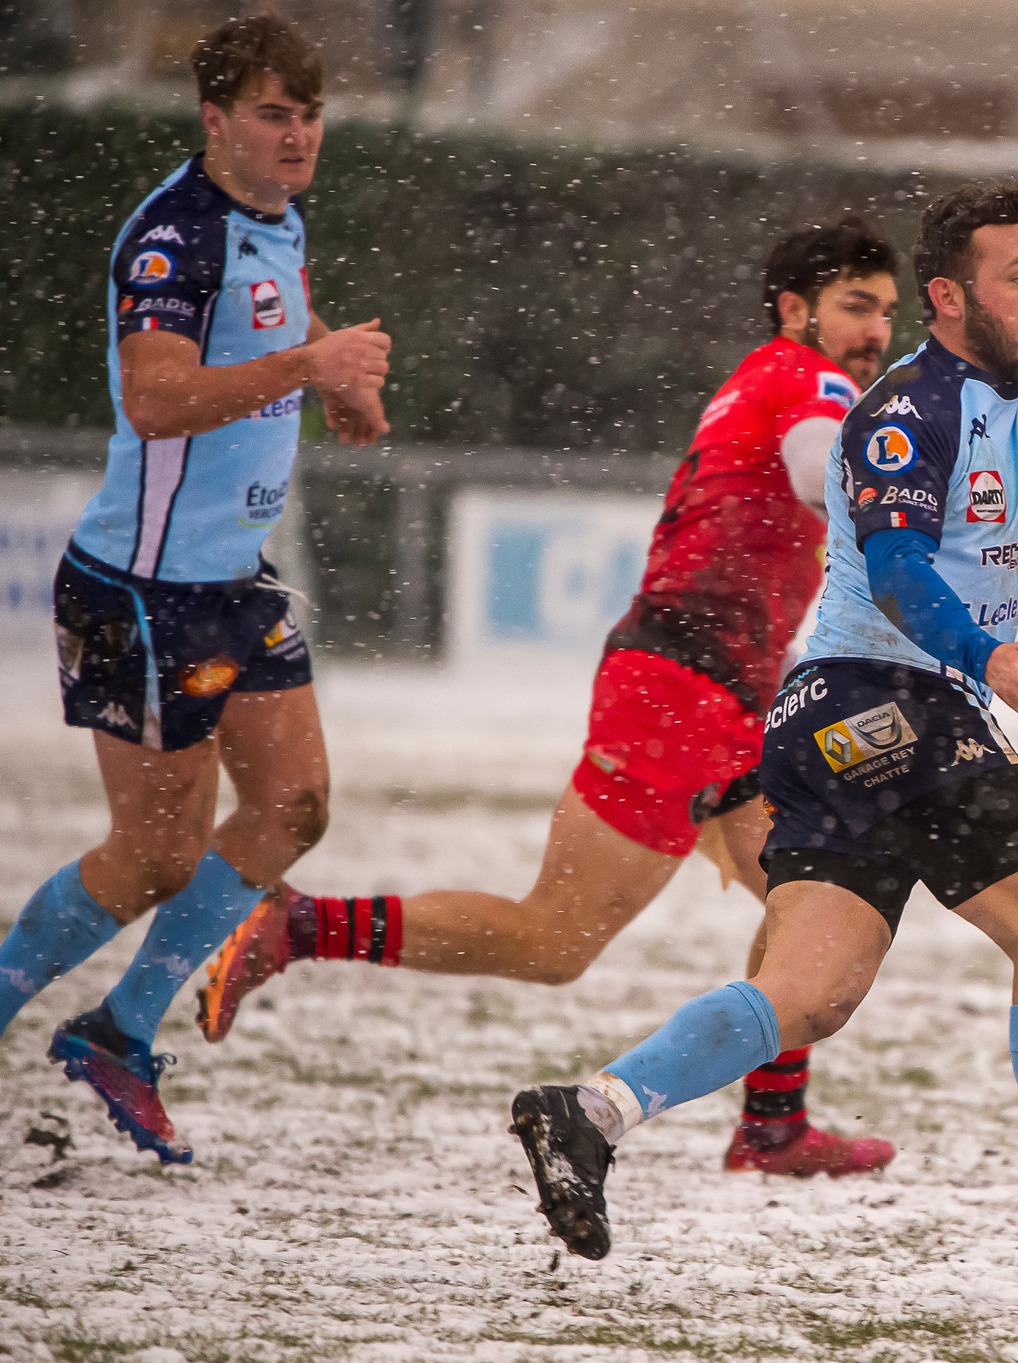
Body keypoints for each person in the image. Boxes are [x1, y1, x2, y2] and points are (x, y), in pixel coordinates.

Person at [505, 177, 1018, 1306]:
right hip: (883, 696)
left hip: (835, 720)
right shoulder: (901, 411)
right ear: (949, 296)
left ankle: (591, 1112)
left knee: (812, 993)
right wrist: (983, 656)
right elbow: (897, 574)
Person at [195, 216, 904, 1177]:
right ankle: (300, 924)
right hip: (680, 692)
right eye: (856, 306)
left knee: (802, 895)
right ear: (796, 310)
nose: (875, 332)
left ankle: (772, 1125)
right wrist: (908, 509)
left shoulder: (765, 374)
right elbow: (822, 474)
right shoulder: (807, 378)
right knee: (553, 939)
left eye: (886, 312)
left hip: (721, 695)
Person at [0, 15, 391, 1164]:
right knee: (154, 855)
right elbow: (158, 398)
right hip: (141, 591)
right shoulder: (173, 237)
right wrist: (308, 367)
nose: (297, 135)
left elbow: (277, 315)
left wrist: (330, 380)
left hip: (232, 583)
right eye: (273, 114)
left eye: (310, 115)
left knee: (295, 809)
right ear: (214, 118)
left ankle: (121, 1029)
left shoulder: (275, 218)